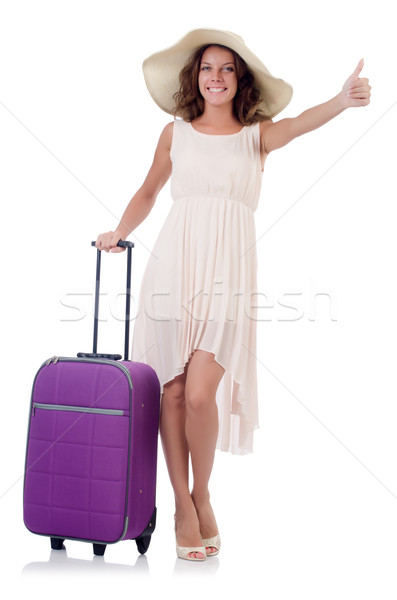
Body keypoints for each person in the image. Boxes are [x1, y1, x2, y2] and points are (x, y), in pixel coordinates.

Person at [95, 28, 371, 561]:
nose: (215, 77)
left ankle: (203, 491)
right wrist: (120, 230)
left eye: (226, 69)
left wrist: (341, 100)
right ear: (194, 78)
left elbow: (299, 125)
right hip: (173, 267)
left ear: (239, 79)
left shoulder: (256, 136)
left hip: (228, 274)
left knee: (200, 394)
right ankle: (181, 504)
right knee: (170, 394)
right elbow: (150, 189)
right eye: (206, 68)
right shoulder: (175, 132)